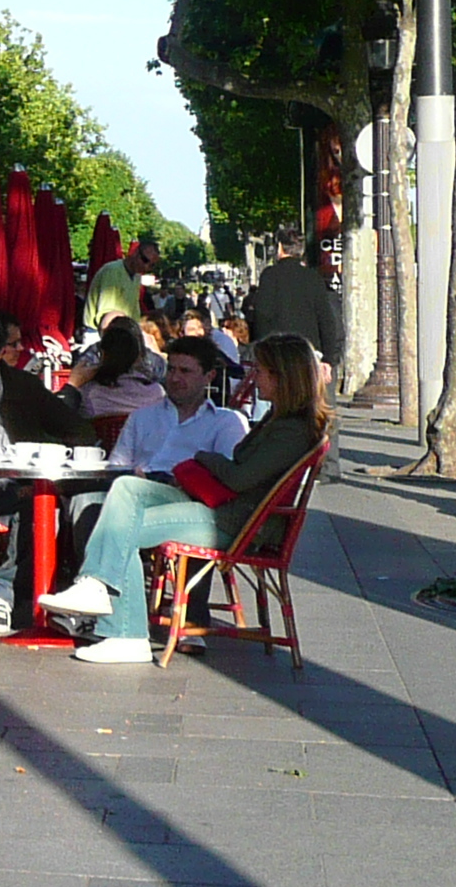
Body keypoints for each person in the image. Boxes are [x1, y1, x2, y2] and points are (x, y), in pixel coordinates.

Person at [39, 332, 331, 663]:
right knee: (126, 489)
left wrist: (203, 458)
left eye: (261, 370)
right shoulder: (280, 420)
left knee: (124, 526)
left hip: (237, 523)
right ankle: (99, 590)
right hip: (229, 513)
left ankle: (123, 630)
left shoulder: (292, 429)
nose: (254, 377)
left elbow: (239, 476)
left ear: (283, 377)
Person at [0, 307, 96, 638]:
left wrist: (40, 459)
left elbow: (76, 431)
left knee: (40, 507)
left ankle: (2, 592)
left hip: (10, 484)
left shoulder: (22, 387)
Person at [110, 337, 249, 477]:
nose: (175, 378)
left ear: (209, 376)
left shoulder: (225, 422)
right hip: (134, 489)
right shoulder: (141, 417)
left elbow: (228, 476)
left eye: (185, 371)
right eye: (171, 370)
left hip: (186, 493)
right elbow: (117, 467)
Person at [244, 229, 343, 379]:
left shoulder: (270, 275)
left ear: (279, 247)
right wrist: (328, 359)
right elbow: (326, 320)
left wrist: (262, 351)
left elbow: (262, 316)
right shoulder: (313, 277)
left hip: (278, 355)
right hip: (308, 354)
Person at [75, 319, 167, 421]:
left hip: (104, 435)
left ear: (103, 355)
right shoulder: (157, 393)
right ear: (138, 354)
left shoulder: (89, 394)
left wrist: (73, 384)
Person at [82, 236, 155, 334]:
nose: (146, 266)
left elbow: (134, 311)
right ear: (136, 253)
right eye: (145, 260)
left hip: (121, 332)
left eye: (152, 265)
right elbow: (106, 315)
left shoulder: (137, 277)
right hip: (98, 333)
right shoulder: (112, 271)